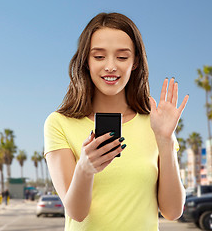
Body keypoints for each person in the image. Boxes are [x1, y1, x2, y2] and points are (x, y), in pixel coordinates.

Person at [44, 12, 189, 230]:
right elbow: (76, 213)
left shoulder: (156, 123)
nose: (111, 66)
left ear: (135, 62)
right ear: (85, 61)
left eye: (122, 57)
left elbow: (172, 211)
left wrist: (165, 140)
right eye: (99, 56)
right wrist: (85, 168)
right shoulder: (59, 123)